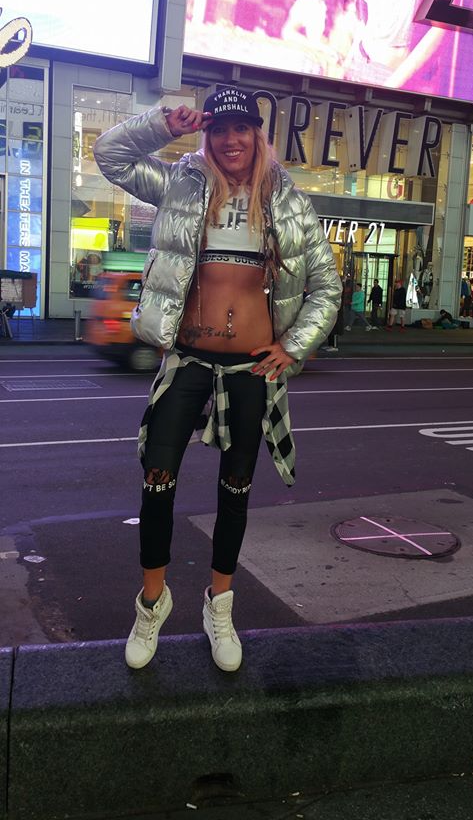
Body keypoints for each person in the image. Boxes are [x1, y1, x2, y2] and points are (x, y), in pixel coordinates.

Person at [93, 88, 342, 673]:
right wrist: (163, 124)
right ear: (207, 134)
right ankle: (152, 604)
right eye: (220, 129)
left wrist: (294, 345)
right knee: (157, 476)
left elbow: (326, 286)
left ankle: (220, 605)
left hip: (250, 368)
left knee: (236, 488)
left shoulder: (286, 201)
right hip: (187, 360)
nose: (231, 140)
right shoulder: (181, 184)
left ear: (258, 135)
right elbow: (111, 156)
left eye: (242, 128)